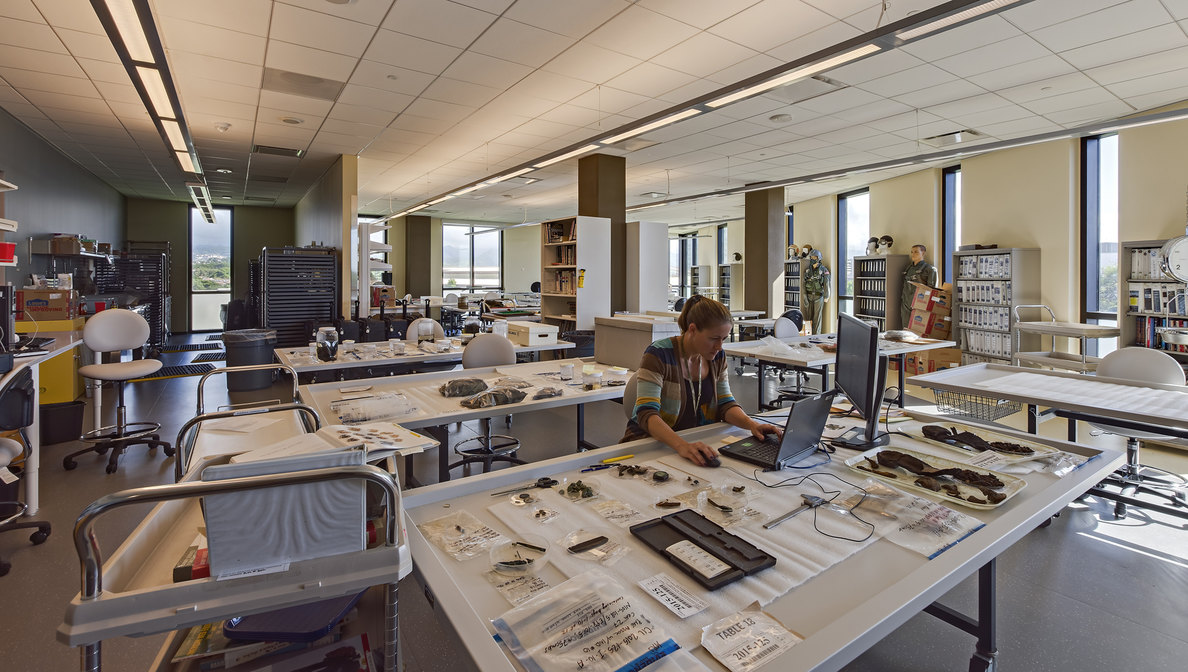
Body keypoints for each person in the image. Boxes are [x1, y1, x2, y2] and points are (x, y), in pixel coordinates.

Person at [622, 295, 784, 466]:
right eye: (714, 338)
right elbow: (646, 414)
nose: (719, 346)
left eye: (724, 339)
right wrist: (682, 446)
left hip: (697, 442)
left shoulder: (717, 356)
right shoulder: (659, 354)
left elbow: (726, 404)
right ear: (692, 330)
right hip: (648, 445)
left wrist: (751, 424)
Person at [901, 244, 939, 327]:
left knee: (918, 330)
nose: (913, 254)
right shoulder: (908, 269)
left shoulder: (930, 269)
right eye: (912, 252)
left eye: (916, 252)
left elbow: (932, 290)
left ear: (923, 253)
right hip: (906, 304)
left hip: (921, 305)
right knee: (906, 330)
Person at [802, 249, 830, 335]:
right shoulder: (807, 271)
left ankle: (816, 337)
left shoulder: (824, 270)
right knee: (808, 318)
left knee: (817, 319)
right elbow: (803, 285)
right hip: (809, 296)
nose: (812, 259)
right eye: (811, 257)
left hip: (819, 297)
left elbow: (826, 284)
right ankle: (807, 336)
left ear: (818, 258)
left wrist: (826, 296)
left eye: (814, 257)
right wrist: (805, 297)